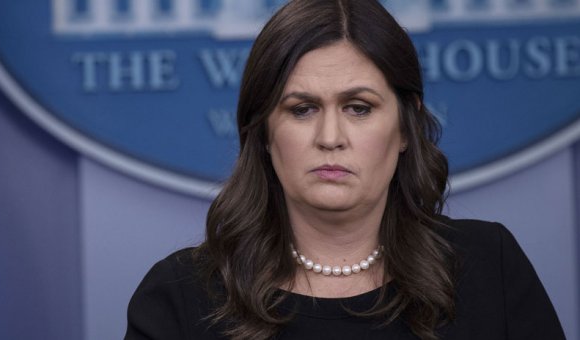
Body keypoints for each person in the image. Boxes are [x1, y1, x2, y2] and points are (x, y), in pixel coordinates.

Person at [125, 0, 565, 339]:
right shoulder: (180, 296)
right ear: (262, 132)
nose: (330, 136)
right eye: (302, 109)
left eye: (359, 108)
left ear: (405, 127)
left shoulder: (490, 266)